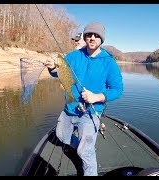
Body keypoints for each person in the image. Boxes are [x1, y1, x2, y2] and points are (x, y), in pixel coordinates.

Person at [45, 22, 123, 176]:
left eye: (96, 35)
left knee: (85, 153)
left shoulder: (109, 63)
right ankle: (82, 146)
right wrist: (52, 68)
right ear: (85, 37)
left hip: (90, 113)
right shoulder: (73, 56)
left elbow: (118, 90)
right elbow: (58, 74)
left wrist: (97, 97)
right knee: (61, 135)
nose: (92, 38)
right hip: (70, 108)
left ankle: (86, 153)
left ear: (101, 39)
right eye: (88, 35)